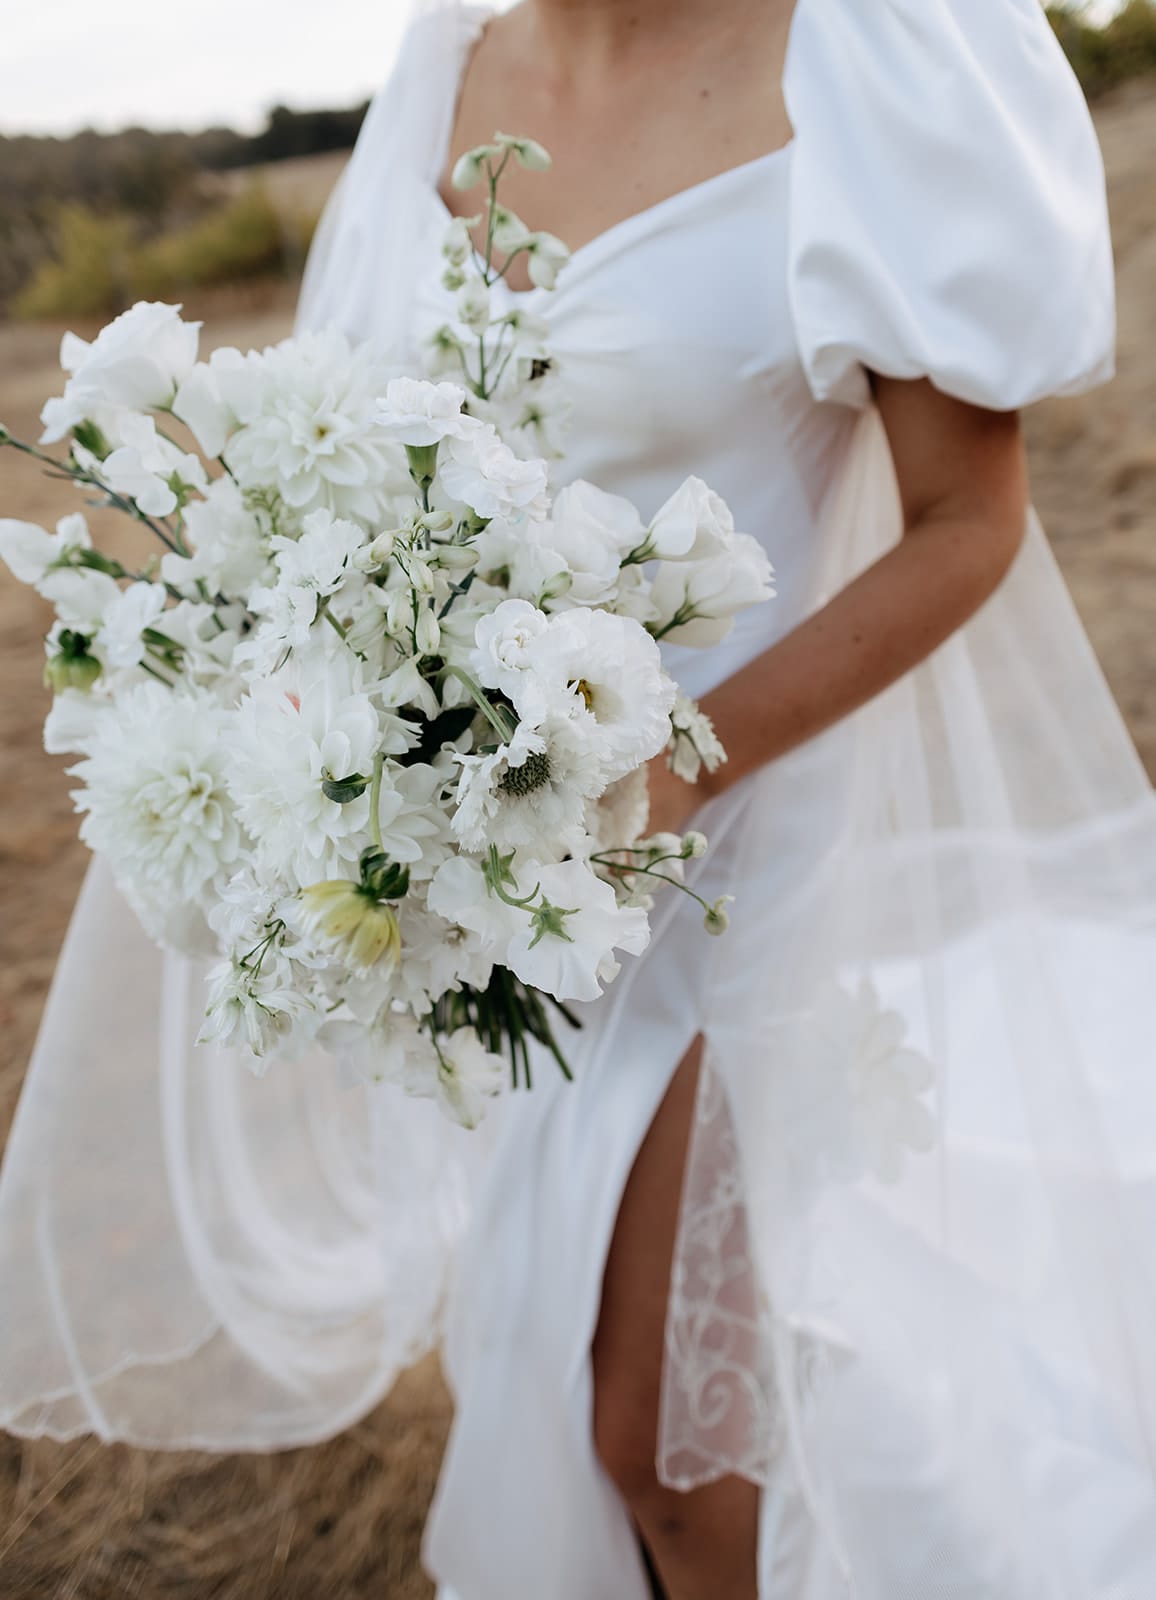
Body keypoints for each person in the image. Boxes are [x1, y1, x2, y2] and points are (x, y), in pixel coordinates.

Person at [3, 1, 1155, 1596]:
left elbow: (970, 521)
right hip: (489, 872)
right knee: (568, 1340)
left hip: (744, 838)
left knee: (657, 1435)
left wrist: (676, 763)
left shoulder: (878, 51)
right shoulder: (446, 67)